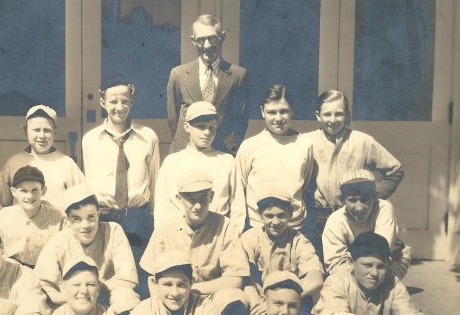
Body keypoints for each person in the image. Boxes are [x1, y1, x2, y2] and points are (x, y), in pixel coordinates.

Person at [140, 169, 250, 315]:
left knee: (235, 297)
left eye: (203, 199)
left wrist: (193, 290)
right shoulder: (166, 227)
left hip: (211, 298)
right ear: (179, 200)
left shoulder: (225, 226)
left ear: (212, 197)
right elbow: (150, 275)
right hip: (174, 298)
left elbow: (235, 279)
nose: (198, 206)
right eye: (191, 200)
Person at [307, 90, 403, 253]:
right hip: (319, 217)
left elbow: (395, 169)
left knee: (357, 262)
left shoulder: (362, 141)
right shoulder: (307, 141)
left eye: (338, 114)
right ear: (318, 115)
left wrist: (372, 196)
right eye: (327, 114)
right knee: (324, 262)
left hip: (354, 217)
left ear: (347, 115)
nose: (332, 120)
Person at [34, 184, 140, 315]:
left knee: (125, 297)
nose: (85, 225)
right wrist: (72, 299)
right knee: (40, 305)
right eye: (77, 219)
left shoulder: (113, 231)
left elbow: (129, 279)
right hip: (71, 304)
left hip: (106, 300)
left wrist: (93, 291)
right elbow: (42, 284)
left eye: (91, 217)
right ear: (67, 221)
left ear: (98, 214)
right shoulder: (58, 241)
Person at [82, 78, 160, 247]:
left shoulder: (148, 137)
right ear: (102, 102)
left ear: (131, 102)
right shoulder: (90, 140)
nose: (119, 107)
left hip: (137, 218)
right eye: (113, 101)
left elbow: (154, 184)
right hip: (103, 216)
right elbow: (89, 182)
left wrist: (152, 218)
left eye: (125, 101)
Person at [154, 101, 245, 231]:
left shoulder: (227, 161)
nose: (207, 132)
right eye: (201, 126)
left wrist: (233, 236)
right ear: (187, 126)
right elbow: (162, 208)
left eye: (212, 127)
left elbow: (238, 206)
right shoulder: (172, 162)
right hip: (180, 234)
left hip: (218, 233)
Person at [167, 14, 249, 156]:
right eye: (201, 40)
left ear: (222, 38)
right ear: (193, 41)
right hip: (185, 150)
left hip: (222, 152)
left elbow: (241, 118)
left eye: (212, 38)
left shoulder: (238, 75)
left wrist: (231, 147)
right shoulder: (178, 74)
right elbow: (173, 118)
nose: (207, 45)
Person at [235, 84, 314, 231]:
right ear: (262, 112)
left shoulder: (305, 144)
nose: (278, 118)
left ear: (292, 111)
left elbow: (305, 183)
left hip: (294, 228)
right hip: (258, 227)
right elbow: (239, 189)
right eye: (272, 112)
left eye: (283, 111)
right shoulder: (249, 146)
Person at [241, 189, 323, 315]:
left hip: (289, 303)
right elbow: (243, 277)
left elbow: (315, 279)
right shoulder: (250, 238)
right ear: (260, 214)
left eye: (281, 215)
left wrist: (280, 301)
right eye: (269, 216)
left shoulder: (299, 241)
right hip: (258, 301)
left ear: (290, 214)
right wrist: (260, 302)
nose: (275, 222)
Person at [0, 105, 85, 215]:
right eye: (36, 130)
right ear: (26, 132)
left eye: (47, 130)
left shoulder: (66, 163)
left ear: (55, 132)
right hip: (22, 228)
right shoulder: (13, 163)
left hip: (58, 227)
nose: (42, 135)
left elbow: (82, 201)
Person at [323, 169, 411, 279]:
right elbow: (334, 262)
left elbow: (381, 252)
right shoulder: (335, 219)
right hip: (350, 266)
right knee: (338, 286)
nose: (359, 208)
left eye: (365, 200)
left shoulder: (383, 208)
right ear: (342, 200)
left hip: (387, 263)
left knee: (381, 289)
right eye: (352, 200)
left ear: (375, 197)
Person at [0, 165, 64, 268]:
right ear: (14, 192)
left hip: (44, 270)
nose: (29, 196)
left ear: (43, 191)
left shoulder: (56, 217)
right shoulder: (3, 217)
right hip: (10, 271)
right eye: (23, 191)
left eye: (34, 190)